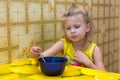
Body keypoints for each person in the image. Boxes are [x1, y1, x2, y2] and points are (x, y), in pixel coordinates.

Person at [30, 3, 105, 70]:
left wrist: (88, 62)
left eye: (77, 26)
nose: (72, 31)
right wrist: (36, 55)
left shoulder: (94, 50)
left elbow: (104, 73)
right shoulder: (63, 44)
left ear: (87, 27)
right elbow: (42, 59)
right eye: (68, 28)